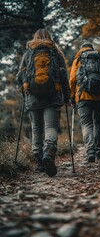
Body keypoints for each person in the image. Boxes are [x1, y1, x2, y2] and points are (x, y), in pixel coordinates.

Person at [16, 29, 70, 176]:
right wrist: (67, 97)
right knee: (50, 127)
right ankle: (49, 152)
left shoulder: (28, 54)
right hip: (53, 97)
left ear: (35, 38)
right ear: (49, 38)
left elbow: (19, 76)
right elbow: (64, 76)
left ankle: (39, 162)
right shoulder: (55, 53)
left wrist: (25, 87)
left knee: (36, 128)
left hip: (33, 98)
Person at [70, 42, 100, 162]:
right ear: (92, 48)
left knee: (86, 123)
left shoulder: (78, 59)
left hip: (83, 96)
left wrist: (71, 97)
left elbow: (73, 79)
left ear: (81, 49)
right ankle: (99, 149)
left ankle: (90, 149)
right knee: (98, 122)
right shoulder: (99, 58)